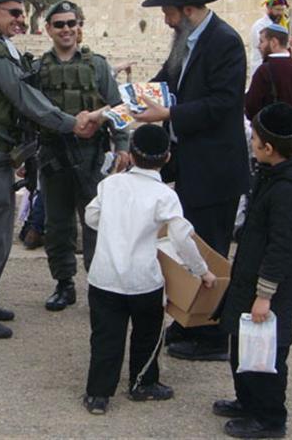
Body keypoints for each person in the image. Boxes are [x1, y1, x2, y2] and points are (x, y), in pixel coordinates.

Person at [0, 0, 99, 340]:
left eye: (22, 13)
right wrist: (70, 123)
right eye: (14, 12)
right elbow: (25, 98)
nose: (20, 19)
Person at [134, 0, 249, 361]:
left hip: (215, 170)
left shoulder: (224, 42)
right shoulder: (186, 40)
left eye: (168, 12)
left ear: (186, 9)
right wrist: (129, 100)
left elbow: (223, 103)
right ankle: (191, 322)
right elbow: (166, 79)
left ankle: (213, 336)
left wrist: (169, 114)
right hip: (191, 167)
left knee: (209, 251)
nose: (165, 20)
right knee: (190, 249)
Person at [83, 124, 216, 415]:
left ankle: (98, 394)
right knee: (147, 333)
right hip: (144, 280)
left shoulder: (110, 184)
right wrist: (201, 270)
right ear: (167, 158)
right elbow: (182, 237)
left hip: (104, 277)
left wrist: (113, 225)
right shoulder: (164, 195)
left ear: (130, 155)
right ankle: (143, 382)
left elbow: (91, 216)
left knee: (105, 336)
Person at [213, 102, 292, 439]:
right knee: (243, 343)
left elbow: (281, 248)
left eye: (255, 139)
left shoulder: (288, 191)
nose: (251, 142)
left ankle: (269, 418)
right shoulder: (272, 173)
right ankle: (247, 401)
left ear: (269, 148)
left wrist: (265, 295)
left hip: (269, 286)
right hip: (249, 275)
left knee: (266, 350)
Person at [34, 0, 130, 311]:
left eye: (71, 23)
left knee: (96, 223)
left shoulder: (98, 66)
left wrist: (123, 146)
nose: (66, 29)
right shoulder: (37, 69)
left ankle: (99, 285)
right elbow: (30, 113)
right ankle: (64, 284)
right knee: (57, 225)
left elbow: (118, 108)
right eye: (59, 24)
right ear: (48, 29)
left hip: (91, 157)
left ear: (79, 27)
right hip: (54, 155)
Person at [244, 24, 292, 123]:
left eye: (262, 41)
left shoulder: (264, 71)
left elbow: (252, 107)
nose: (259, 46)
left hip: (270, 129)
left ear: (274, 42)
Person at [248, 0, 290, 78]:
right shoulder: (260, 25)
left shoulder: (281, 24)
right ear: (269, 8)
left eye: (282, 10)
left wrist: (289, 43)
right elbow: (266, 47)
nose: (280, 13)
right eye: (277, 10)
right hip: (261, 66)